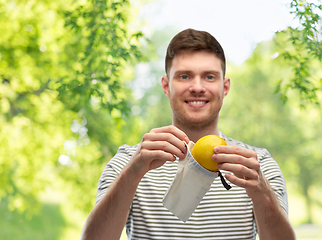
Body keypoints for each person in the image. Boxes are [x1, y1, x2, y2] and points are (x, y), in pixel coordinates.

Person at [81, 28, 296, 240]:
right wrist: (132, 174)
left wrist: (263, 195)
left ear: (225, 87)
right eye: (184, 76)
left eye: (209, 77)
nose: (197, 87)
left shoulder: (258, 166)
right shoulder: (130, 161)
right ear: (166, 86)